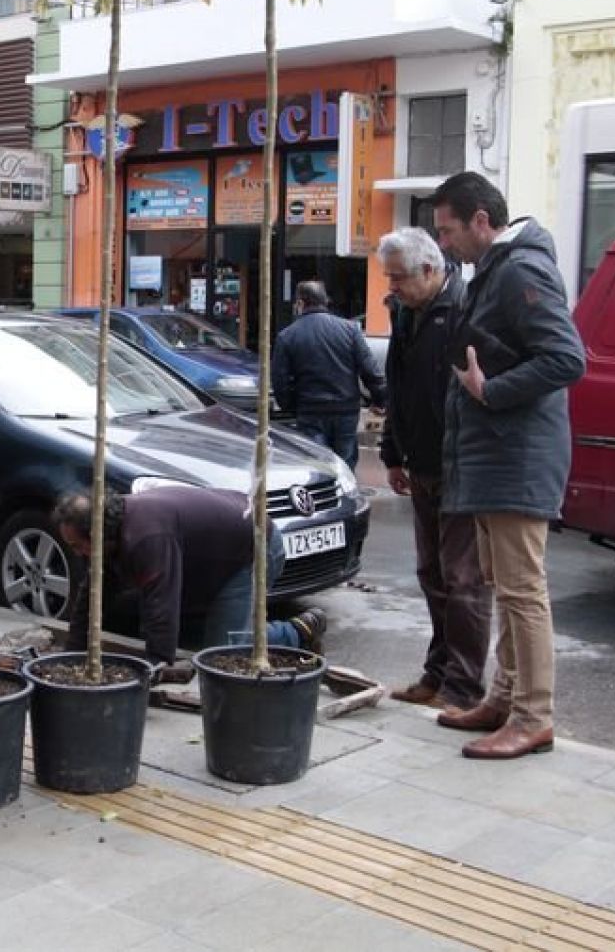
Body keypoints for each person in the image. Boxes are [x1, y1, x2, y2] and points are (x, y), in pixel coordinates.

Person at [429, 172, 585, 760]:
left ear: (481, 221)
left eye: (448, 232)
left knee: (522, 591)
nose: (444, 244)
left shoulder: (520, 269)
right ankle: (504, 698)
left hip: (518, 457)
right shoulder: (491, 270)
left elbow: (566, 358)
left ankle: (533, 715)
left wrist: (490, 390)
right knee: (505, 586)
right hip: (496, 457)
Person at [376, 227, 492, 711]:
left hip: (459, 466)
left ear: (430, 270)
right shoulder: (406, 311)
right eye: (389, 277)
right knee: (432, 574)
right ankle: (439, 672)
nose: (392, 286)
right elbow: (397, 389)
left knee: (463, 580)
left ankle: (463, 687)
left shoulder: (464, 309)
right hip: (420, 462)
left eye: (399, 277)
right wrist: (391, 453)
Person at [53, 487, 326, 668]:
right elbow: (91, 595)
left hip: (253, 548)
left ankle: (298, 631)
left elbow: (161, 604)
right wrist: (71, 655)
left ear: (98, 533)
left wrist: (155, 666)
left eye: (77, 546)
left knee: (222, 654)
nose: (75, 553)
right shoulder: (113, 529)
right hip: (216, 553)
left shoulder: (148, 538)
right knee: (198, 637)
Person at [272, 280, 386, 470]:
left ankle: (322, 498)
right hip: (346, 409)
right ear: (325, 301)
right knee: (345, 466)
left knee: (317, 467)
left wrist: (291, 406)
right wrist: (380, 400)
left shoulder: (287, 336)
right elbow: (369, 369)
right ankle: (345, 497)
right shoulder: (350, 330)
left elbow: (280, 380)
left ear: (300, 303)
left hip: (310, 410)